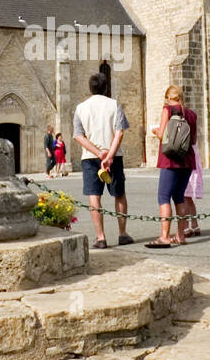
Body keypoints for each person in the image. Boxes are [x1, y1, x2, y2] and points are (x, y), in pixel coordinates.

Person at [73, 72, 134, 249]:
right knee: (119, 194)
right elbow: (119, 132)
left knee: (94, 196)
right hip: (113, 156)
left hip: (91, 158)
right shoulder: (114, 105)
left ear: (90, 88)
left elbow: (78, 136)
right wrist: (109, 155)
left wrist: (98, 153)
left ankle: (100, 237)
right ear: (106, 88)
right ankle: (122, 234)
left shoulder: (81, 108)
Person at [146, 85, 197, 248]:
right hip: (187, 159)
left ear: (168, 97)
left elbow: (162, 134)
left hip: (170, 160)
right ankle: (180, 235)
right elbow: (193, 140)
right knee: (179, 197)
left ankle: (165, 236)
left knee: (163, 197)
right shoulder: (191, 114)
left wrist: (154, 131)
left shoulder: (167, 110)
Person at [183, 137, 203, 238]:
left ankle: (186, 226)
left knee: (184, 198)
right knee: (189, 199)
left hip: (186, 165)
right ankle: (195, 225)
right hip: (193, 165)